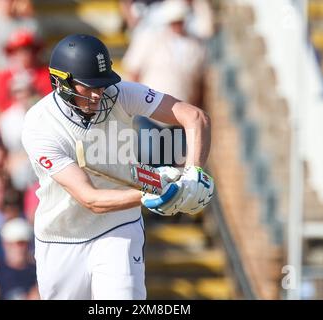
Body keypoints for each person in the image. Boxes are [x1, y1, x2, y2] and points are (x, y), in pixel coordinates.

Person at [21, 34, 214, 300]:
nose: (98, 95)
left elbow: (195, 117)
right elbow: (91, 199)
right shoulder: (40, 125)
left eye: (102, 85)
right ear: (61, 82)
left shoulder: (120, 93)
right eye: (88, 87)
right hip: (61, 236)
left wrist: (194, 173)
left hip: (118, 226)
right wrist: (150, 195)